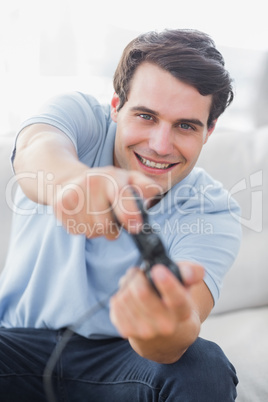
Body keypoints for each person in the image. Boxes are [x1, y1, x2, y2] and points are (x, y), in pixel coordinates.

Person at [0, 29, 241, 401]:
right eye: (146, 116)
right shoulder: (79, 116)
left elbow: (179, 333)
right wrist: (77, 184)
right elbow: (36, 150)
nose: (160, 146)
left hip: (121, 360)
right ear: (116, 106)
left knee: (203, 364)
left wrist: (157, 328)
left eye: (185, 126)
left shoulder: (214, 208)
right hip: (15, 347)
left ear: (209, 131)